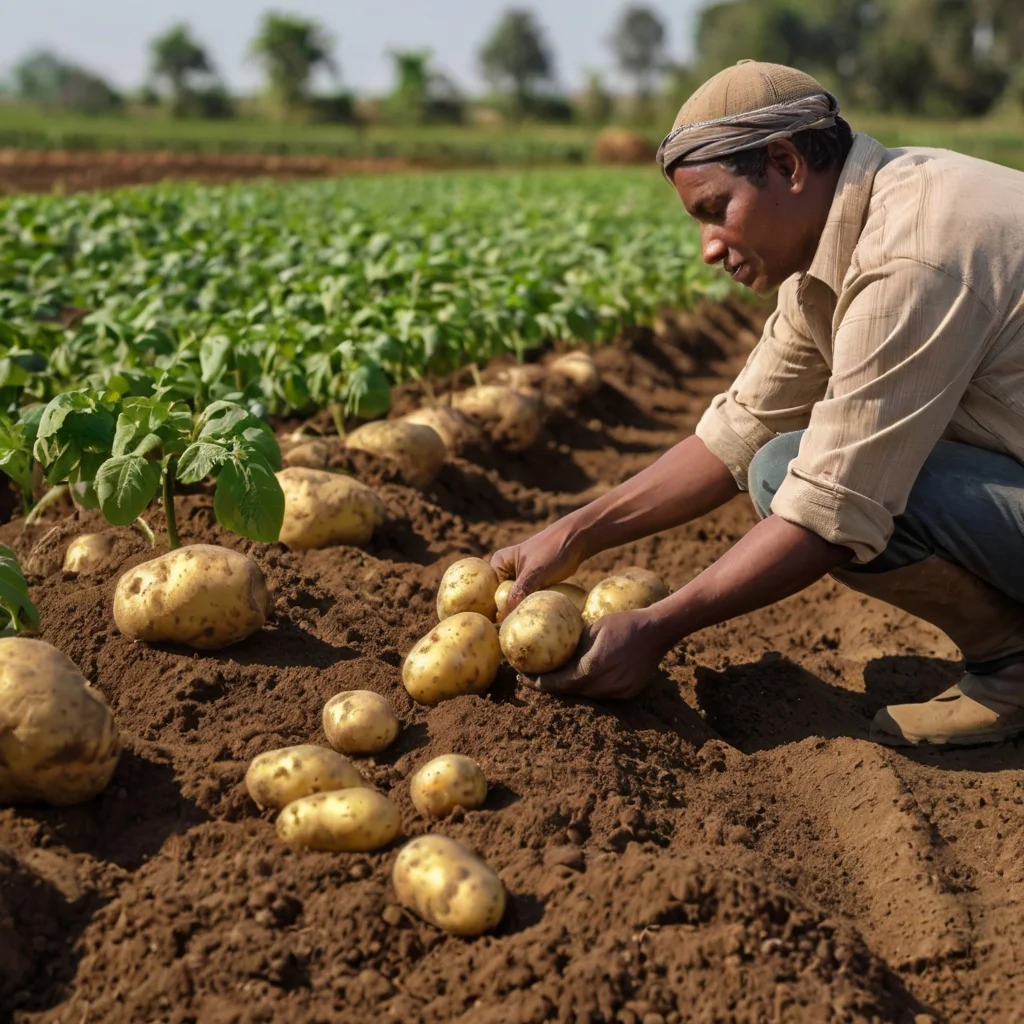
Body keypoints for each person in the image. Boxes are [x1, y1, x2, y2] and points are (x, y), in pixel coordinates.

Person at [491, 59, 1024, 748]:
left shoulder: (913, 255)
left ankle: (1014, 670)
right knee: (779, 461)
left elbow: (834, 505)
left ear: (786, 162)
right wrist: (576, 533)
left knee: (814, 478)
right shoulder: (846, 237)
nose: (709, 247)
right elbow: (739, 432)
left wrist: (659, 627)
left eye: (716, 211)